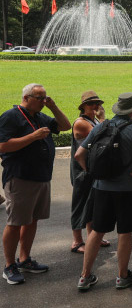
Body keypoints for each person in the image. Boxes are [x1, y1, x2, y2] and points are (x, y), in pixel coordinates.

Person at [74, 92, 132, 291]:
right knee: (125, 231)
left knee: (97, 231)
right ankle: (122, 276)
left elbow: (79, 154)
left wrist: (91, 172)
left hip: (101, 188)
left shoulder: (100, 126)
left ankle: (84, 277)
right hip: (127, 189)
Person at [0, 84, 71, 285]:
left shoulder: (40, 116)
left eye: (45, 98)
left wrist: (53, 107)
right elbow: (2, 145)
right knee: (15, 222)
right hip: (20, 178)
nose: (43, 101)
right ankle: (9, 265)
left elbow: (65, 126)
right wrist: (33, 137)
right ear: (26, 97)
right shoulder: (11, 116)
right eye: (40, 98)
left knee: (32, 220)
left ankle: (24, 259)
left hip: (41, 177)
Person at [70, 92, 108, 255]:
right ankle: (77, 242)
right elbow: (103, 135)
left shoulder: (91, 120)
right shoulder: (81, 123)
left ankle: (92, 237)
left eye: (97, 103)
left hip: (90, 169)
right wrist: (103, 118)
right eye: (92, 103)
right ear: (83, 106)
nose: (95, 106)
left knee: (92, 204)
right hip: (81, 170)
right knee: (80, 204)